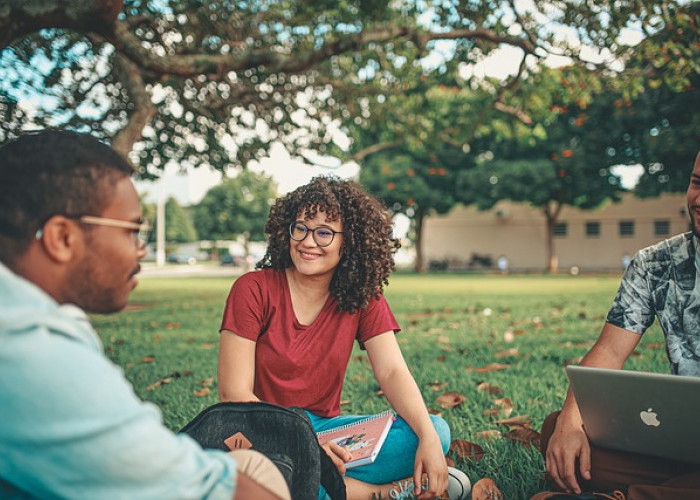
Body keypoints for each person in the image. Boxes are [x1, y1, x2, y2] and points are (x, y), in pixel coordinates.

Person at [0, 130, 290, 500]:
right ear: (62, 238)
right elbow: (214, 490)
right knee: (259, 474)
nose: (140, 250)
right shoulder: (33, 353)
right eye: (132, 231)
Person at [217, 176, 471, 500]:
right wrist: (306, 448)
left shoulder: (362, 297)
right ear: (287, 230)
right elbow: (233, 394)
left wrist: (428, 440)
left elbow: (392, 371)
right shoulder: (252, 289)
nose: (308, 242)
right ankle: (383, 494)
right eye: (301, 228)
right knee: (268, 474)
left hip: (327, 432)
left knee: (435, 430)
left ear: (348, 241)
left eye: (324, 232)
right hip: (262, 433)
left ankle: (319, 484)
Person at [536, 150, 700, 500]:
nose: (699, 199)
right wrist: (571, 420)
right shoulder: (656, 263)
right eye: (697, 183)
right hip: (687, 441)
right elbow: (609, 351)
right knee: (559, 433)